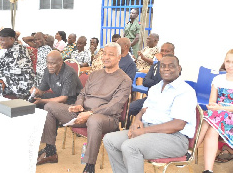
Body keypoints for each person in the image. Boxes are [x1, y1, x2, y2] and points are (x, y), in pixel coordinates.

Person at [37, 42, 131, 173]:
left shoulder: (125, 79)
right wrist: (78, 105)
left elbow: (114, 106)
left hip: (106, 118)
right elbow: (82, 93)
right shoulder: (95, 74)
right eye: (104, 54)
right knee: (49, 106)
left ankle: (89, 166)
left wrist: (91, 113)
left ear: (119, 57)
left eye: (111, 55)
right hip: (82, 112)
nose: (106, 57)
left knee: (94, 120)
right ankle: (50, 151)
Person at [103, 55, 197, 173]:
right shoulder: (156, 88)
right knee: (109, 139)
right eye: (162, 66)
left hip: (174, 138)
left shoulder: (185, 91)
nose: (166, 69)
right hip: (149, 130)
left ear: (179, 68)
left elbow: (178, 125)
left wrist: (144, 131)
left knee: (130, 147)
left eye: (171, 66)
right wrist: (137, 120)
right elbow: (143, 110)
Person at [197, 49, 233, 173]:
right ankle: (208, 170)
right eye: (228, 61)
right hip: (217, 114)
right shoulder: (218, 79)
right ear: (224, 62)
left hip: (229, 114)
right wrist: (213, 106)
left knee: (210, 118)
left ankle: (194, 147)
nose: (230, 65)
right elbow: (212, 101)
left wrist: (220, 108)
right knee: (212, 128)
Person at [126, 42, 175, 128]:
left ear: (173, 53)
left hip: (164, 103)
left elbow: (164, 82)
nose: (163, 53)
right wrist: (157, 83)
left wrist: (161, 63)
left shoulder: (175, 68)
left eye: (167, 51)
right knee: (130, 107)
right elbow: (145, 82)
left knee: (150, 116)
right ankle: (127, 128)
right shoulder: (155, 65)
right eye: (162, 51)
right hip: (149, 100)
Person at [0, 28, 34, 99]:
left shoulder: (19, 50)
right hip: (6, 78)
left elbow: (16, 70)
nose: (0, 43)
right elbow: (2, 68)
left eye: (3, 40)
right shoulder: (7, 49)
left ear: (11, 39)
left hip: (20, 81)